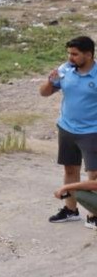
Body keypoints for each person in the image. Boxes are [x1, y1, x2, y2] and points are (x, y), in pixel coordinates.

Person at [42, 35, 97, 223]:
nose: (70, 58)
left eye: (74, 54)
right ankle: (70, 210)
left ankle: (94, 215)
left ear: (88, 55)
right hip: (67, 129)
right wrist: (50, 81)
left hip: (92, 132)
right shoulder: (65, 70)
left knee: (94, 175)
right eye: (68, 53)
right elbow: (44, 93)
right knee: (70, 170)